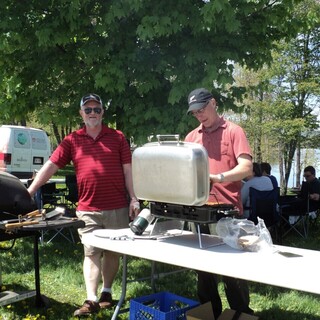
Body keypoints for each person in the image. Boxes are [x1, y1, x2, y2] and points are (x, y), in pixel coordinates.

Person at [27, 93, 140, 316]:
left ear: (102, 113)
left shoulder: (117, 137)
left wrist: (134, 199)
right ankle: (91, 299)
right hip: (88, 208)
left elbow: (128, 171)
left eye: (96, 109)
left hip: (117, 205)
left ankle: (107, 293)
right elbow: (51, 166)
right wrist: (30, 191)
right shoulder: (72, 140)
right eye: (87, 110)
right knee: (91, 253)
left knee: (113, 253)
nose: (92, 114)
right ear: (81, 113)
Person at [185, 88, 253, 319]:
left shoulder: (234, 131)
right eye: (194, 112)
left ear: (213, 103)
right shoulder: (192, 137)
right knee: (203, 269)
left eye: (202, 109)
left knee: (232, 270)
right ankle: (208, 313)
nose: (199, 115)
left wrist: (219, 177)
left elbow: (246, 168)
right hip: (198, 210)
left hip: (228, 210)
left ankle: (240, 313)